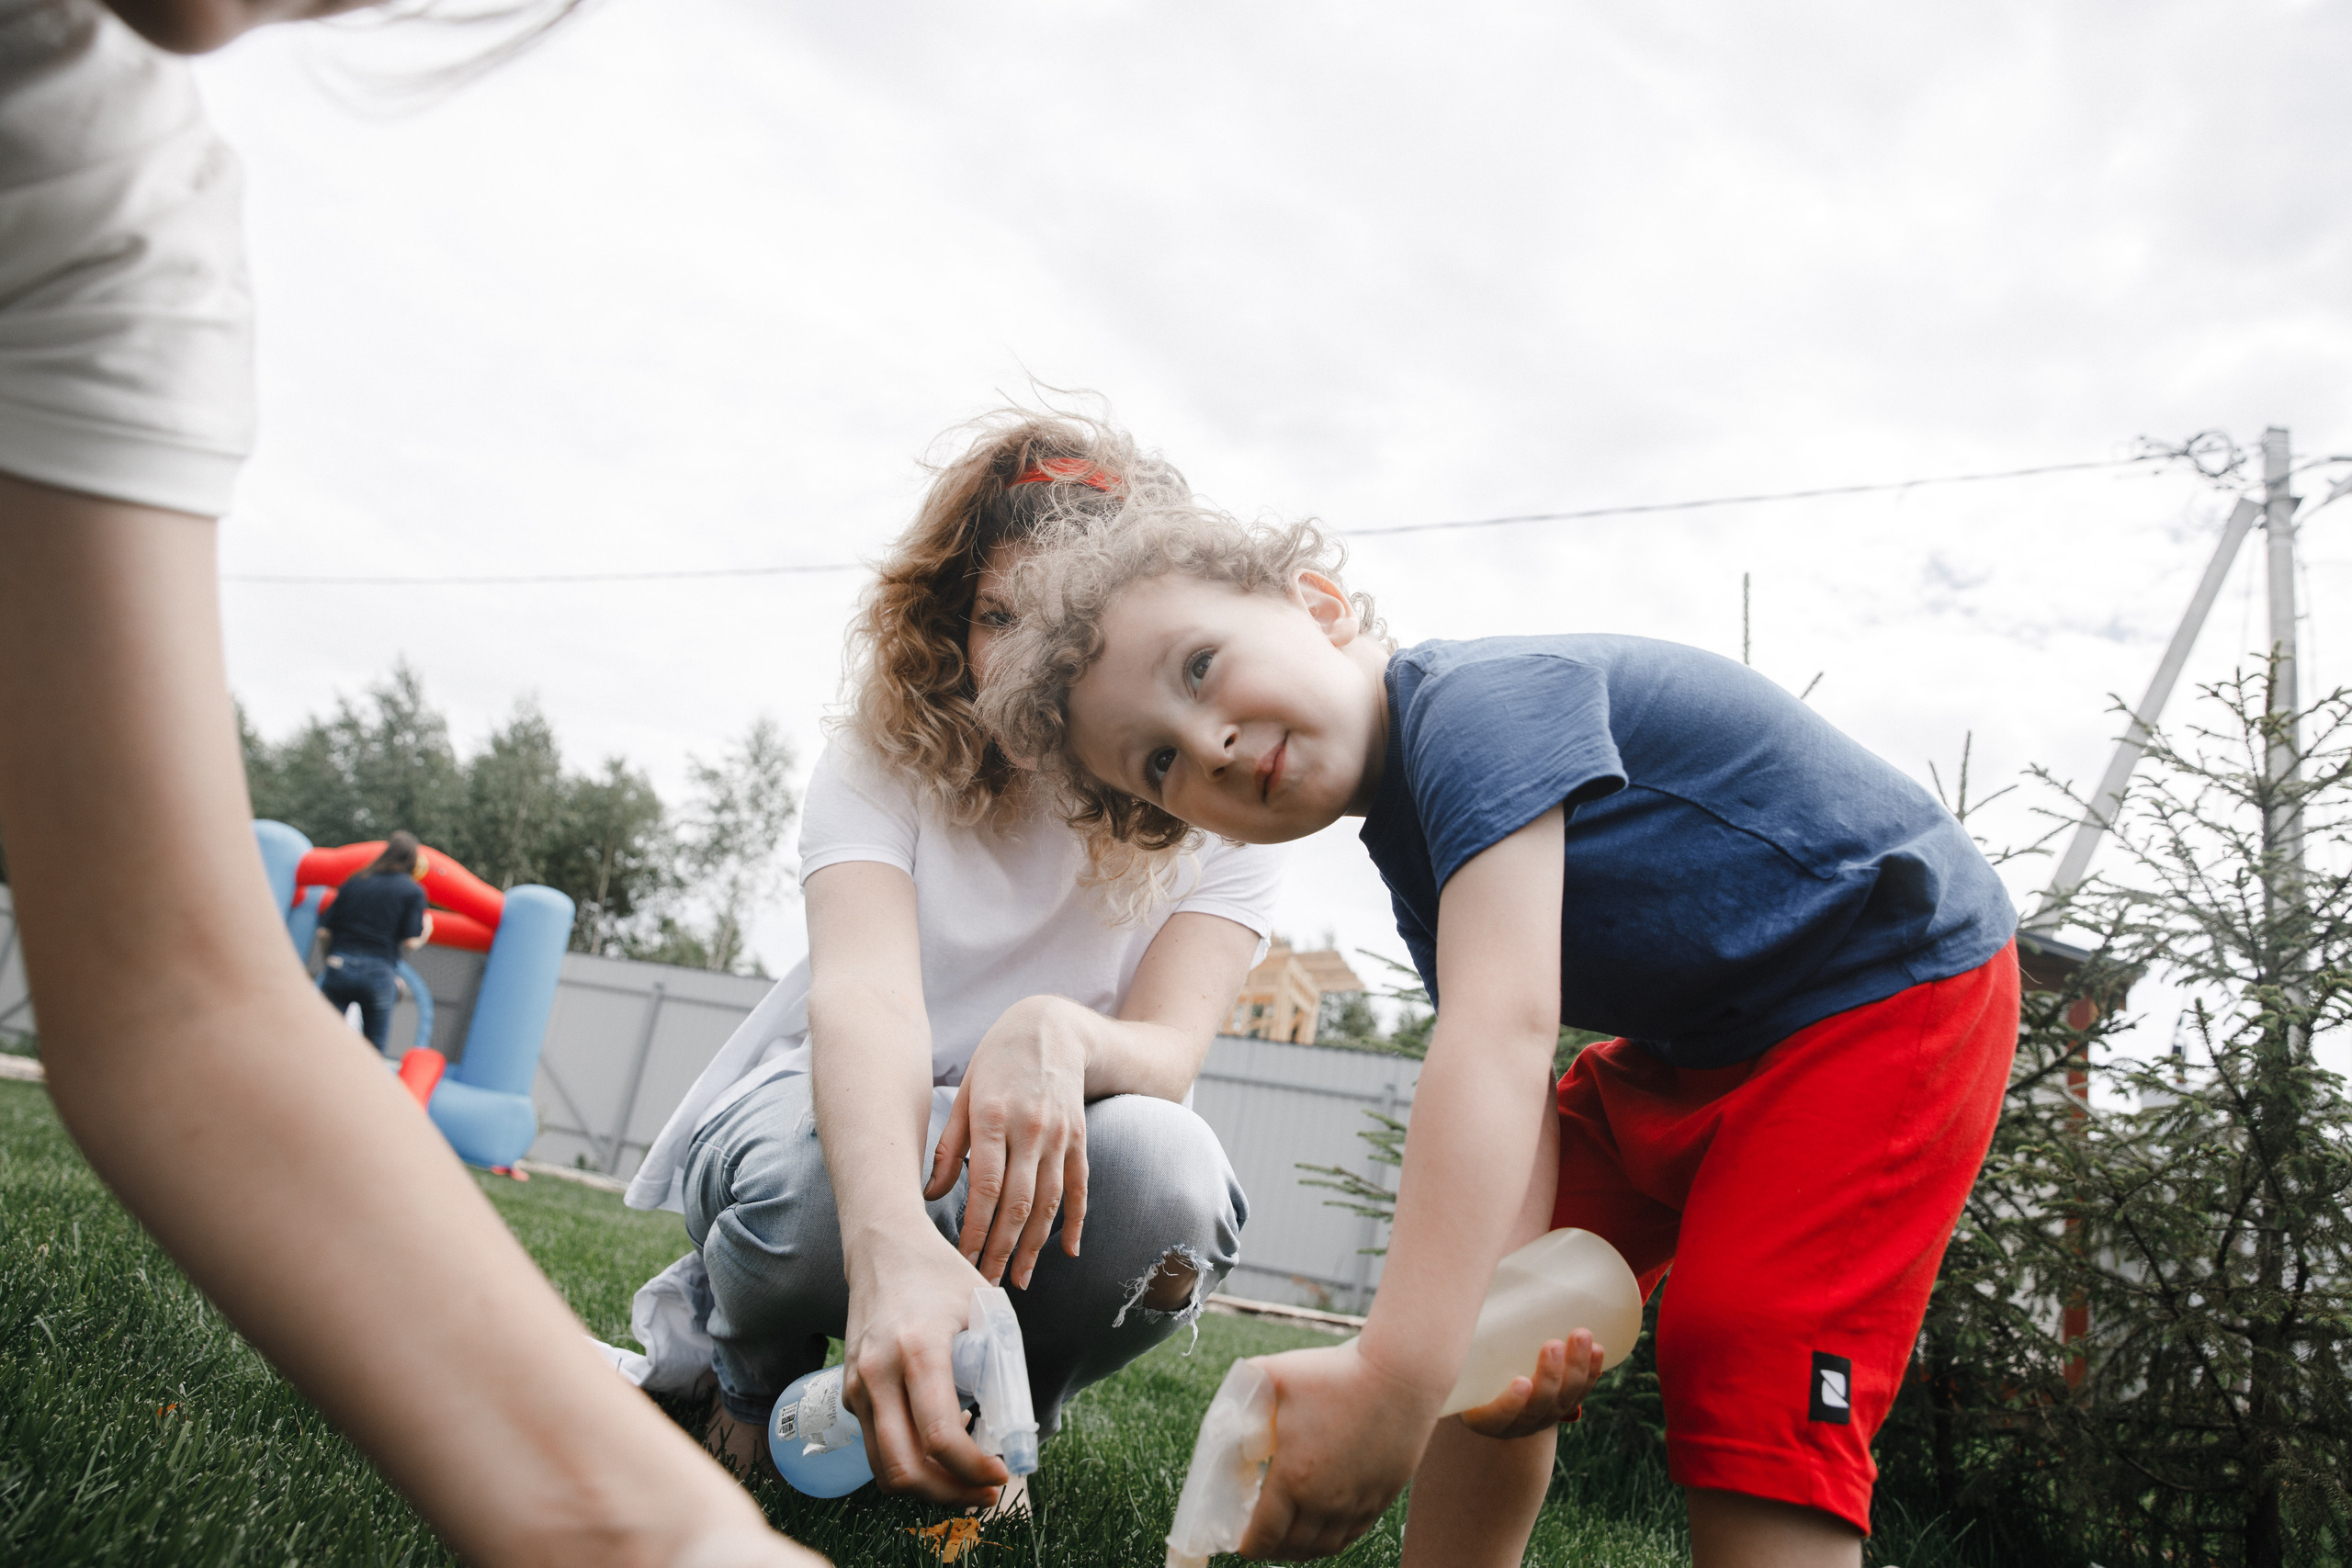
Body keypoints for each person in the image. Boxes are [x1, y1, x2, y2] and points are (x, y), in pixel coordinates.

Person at [0, 3, 820, 1562]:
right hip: (361, 963)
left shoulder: (96, 207)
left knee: (356, 1028)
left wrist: (668, 1538)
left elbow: (184, 1000)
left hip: (354, 973)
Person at [978, 502, 2021, 1567]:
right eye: (1158, 765)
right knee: (1471, 1308)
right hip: (1701, 1047)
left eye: (1200, 668)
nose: (1210, 744)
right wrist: (1494, 1320)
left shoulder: (1485, 705)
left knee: (1740, 1333)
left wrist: (1394, 1376)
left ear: (1319, 607)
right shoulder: (1416, 846)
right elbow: (1508, 1110)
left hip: (1884, 991)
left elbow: (1502, 1036)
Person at [614, 413, 1282, 1509]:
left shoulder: (1212, 803)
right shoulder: (884, 753)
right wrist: (883, 1243)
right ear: (946, 622)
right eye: (993, 616)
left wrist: (1057, 1030)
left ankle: (996, 1415)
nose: (1022, 659)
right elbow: (865, 993)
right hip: (838, 1108)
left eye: (1065, 622)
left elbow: (1164, 1053)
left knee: (1172, 1172)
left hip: (1047, 1141)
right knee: (810, 1192)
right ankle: (751, 1369)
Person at [318, 830, 435, 1054]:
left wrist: (332, 958)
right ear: (413, 861)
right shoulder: (412, 891)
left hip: (339, 965)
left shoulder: (356, 881)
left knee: (322, 1040)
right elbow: (411, 941)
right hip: (378, 973)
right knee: (372, 1049)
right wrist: (426, 931)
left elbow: (324, 932)